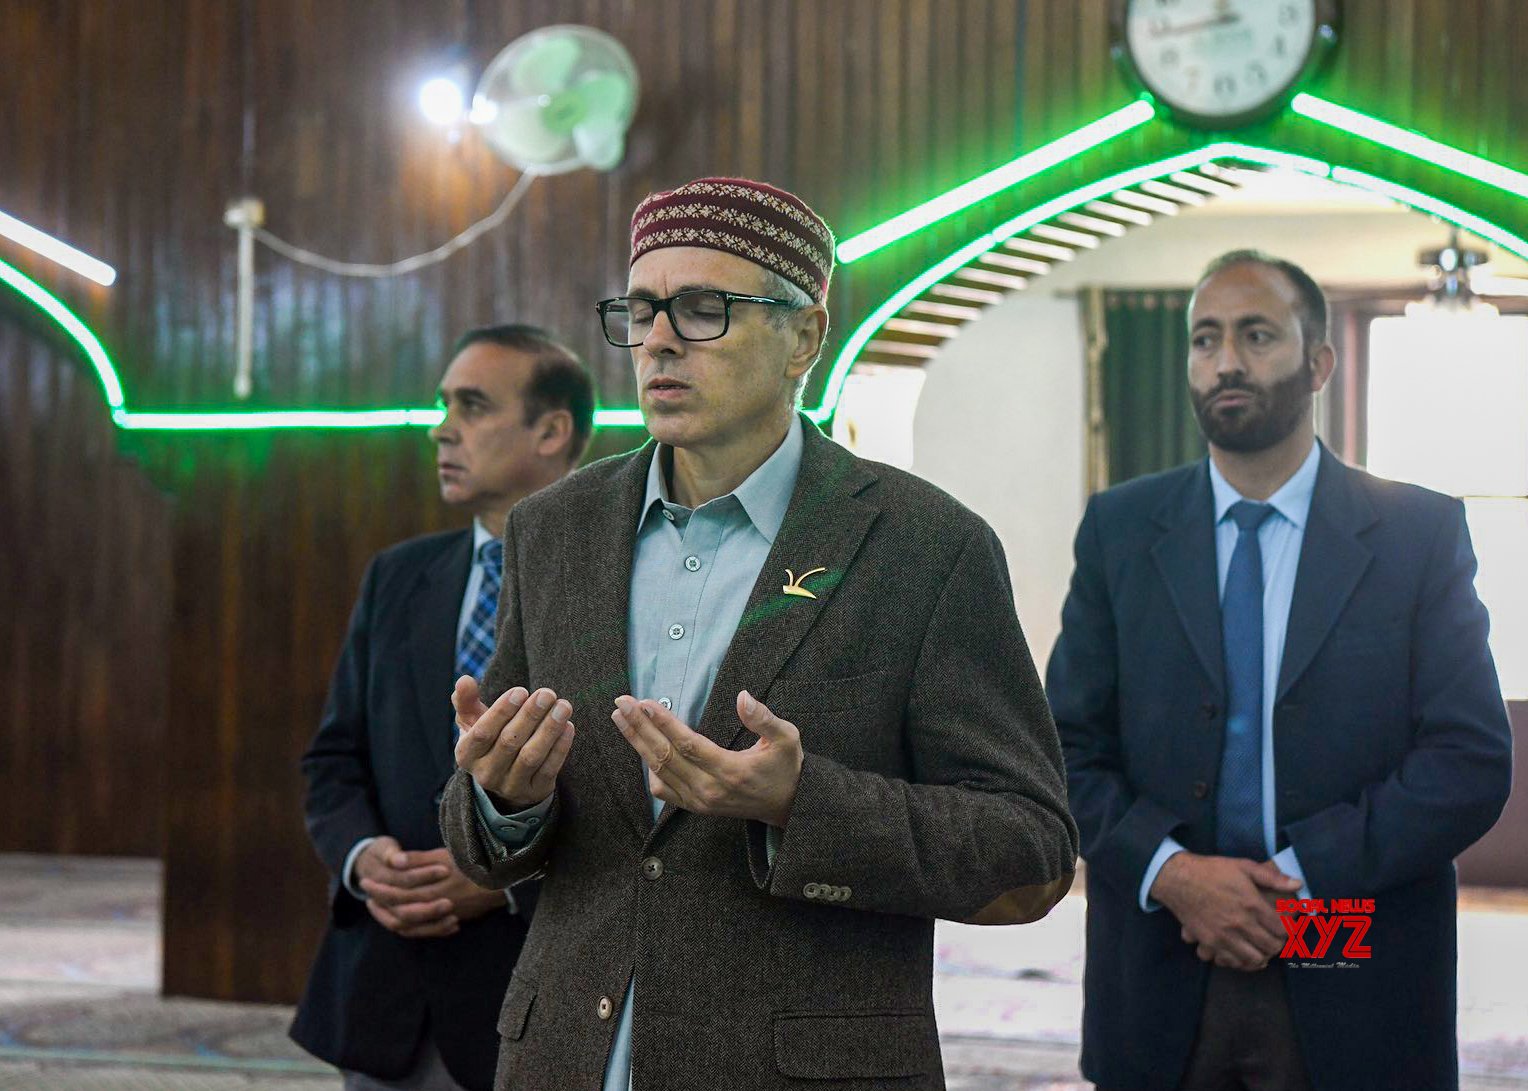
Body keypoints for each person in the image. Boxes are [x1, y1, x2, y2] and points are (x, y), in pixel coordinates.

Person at [437, 177, 1078, 1091]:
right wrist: (503, 796)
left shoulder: (925, 546)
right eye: (644, 309)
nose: (659, 338)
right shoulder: (555, 529)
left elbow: (1032, 846)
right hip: (565, 1062)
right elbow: (488, 833)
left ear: (804, 337)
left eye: (705, 309)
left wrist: (801, 802)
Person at [1047, 250, 1513, 1091]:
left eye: (1257, 335)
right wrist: (1177, 875)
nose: (1226, 360)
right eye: (1205, 339)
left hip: (1356, 965)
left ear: (1319, 362)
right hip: (1159, 966)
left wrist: (1295, 878)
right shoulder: (1121, 530)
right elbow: (1063, 749)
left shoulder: (1416, 534)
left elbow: (1469, 759)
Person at [290, 325, 597, 1091]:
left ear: (552, 430)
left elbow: (640, 799)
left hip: (540, 995)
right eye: (441, 404)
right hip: (386, 993)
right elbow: (334, 760)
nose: (440, 428)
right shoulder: (398, 576)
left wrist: (509, 878)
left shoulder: (615, 584)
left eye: (471, 405)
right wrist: (365, 862)